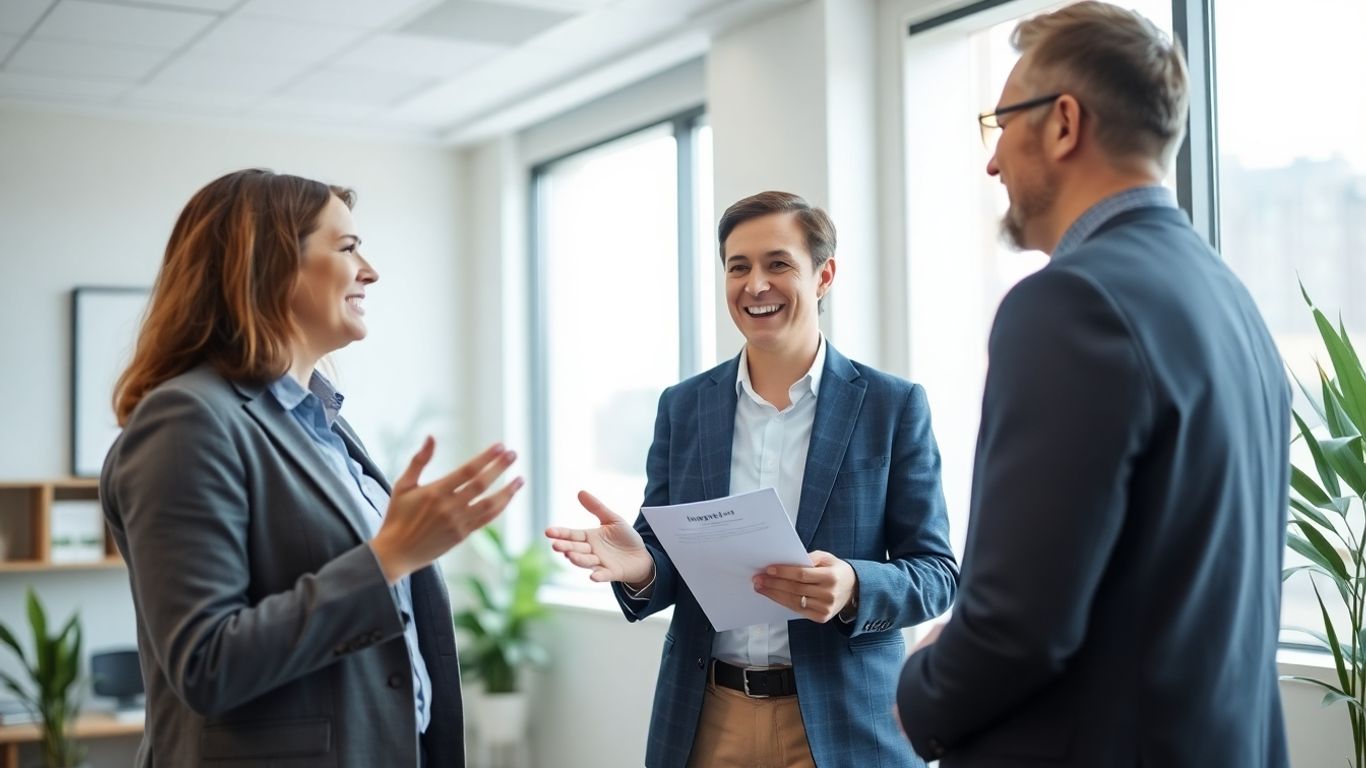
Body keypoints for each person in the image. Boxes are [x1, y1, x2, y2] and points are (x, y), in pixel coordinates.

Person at [895, 4, 1291, 766]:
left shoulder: (1068, 304)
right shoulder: (1232, 302)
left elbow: (1019, 626)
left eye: (1001, 122)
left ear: (1063, 123)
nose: (992, 161)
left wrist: (921, 689)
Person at [101, 169, 523, 767]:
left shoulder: (321, 422)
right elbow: (206, 663)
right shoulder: (187, 420)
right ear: (270, 265)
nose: (370, 271)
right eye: (348, 248)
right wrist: (389, 558)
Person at [546, 191, 958, 768]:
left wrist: (854, 587)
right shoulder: (684, 407)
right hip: (709, 717)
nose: (755, 284)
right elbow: (667, 553)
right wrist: (641, 566)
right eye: (738, 267)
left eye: (778, 264)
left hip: (844, 723)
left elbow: (937, 574)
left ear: (824, 275)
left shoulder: (893, 406)